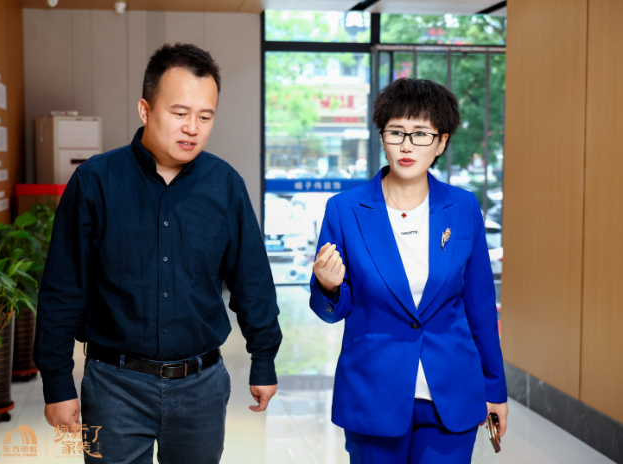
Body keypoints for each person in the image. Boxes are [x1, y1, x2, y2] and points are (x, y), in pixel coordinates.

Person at [33, 43, 283, 464]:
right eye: (180, 113)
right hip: (113, 386)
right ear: (145, 110)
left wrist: (264, 359)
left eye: (205, 117)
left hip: (201, 387)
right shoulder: (95, 182)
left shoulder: (225, 185)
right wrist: (57, 382)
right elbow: (63, 288)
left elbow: (251, 280)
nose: (192, 128)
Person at [309, 78, 508, 463]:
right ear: (382, 136)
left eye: (420, 134)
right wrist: (328, 287)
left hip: (452, 391)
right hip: (373, 392)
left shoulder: (463, 207)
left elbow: (480, 306)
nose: (406, 145)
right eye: (396, 132)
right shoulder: (344, 209)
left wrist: (495, 388)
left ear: (441, 142)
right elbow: (332, 310)